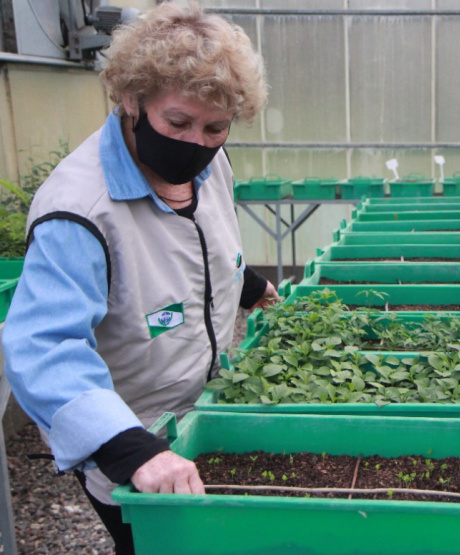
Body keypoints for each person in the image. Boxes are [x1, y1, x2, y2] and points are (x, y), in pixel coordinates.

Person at [1, 3, 276, 553]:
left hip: (206, 411)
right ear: (132, 98)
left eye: (216, 127)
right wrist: (128, 448)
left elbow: (198, 242)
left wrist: (244, 283)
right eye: (178, 123)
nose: (196, 143)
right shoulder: (80, 210)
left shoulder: (211, 164)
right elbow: (43, 346)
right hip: (133, 438)